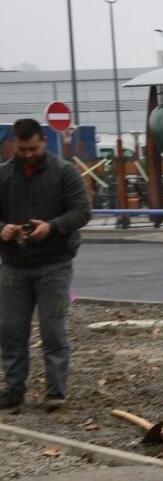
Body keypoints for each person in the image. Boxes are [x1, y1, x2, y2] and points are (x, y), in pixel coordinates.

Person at [1, 119, 92, 411]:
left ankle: (55, 393)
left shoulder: (64, 172)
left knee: (53, 330)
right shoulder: (4, 175)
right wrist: (3, 229)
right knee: (11, 331)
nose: (28, 154)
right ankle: (13, 390)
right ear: (14, 143)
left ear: (43, 141)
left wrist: (52, 227)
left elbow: (81, 211)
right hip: (14, 266)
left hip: (54, 264)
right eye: (22, 148)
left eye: (33, 148)